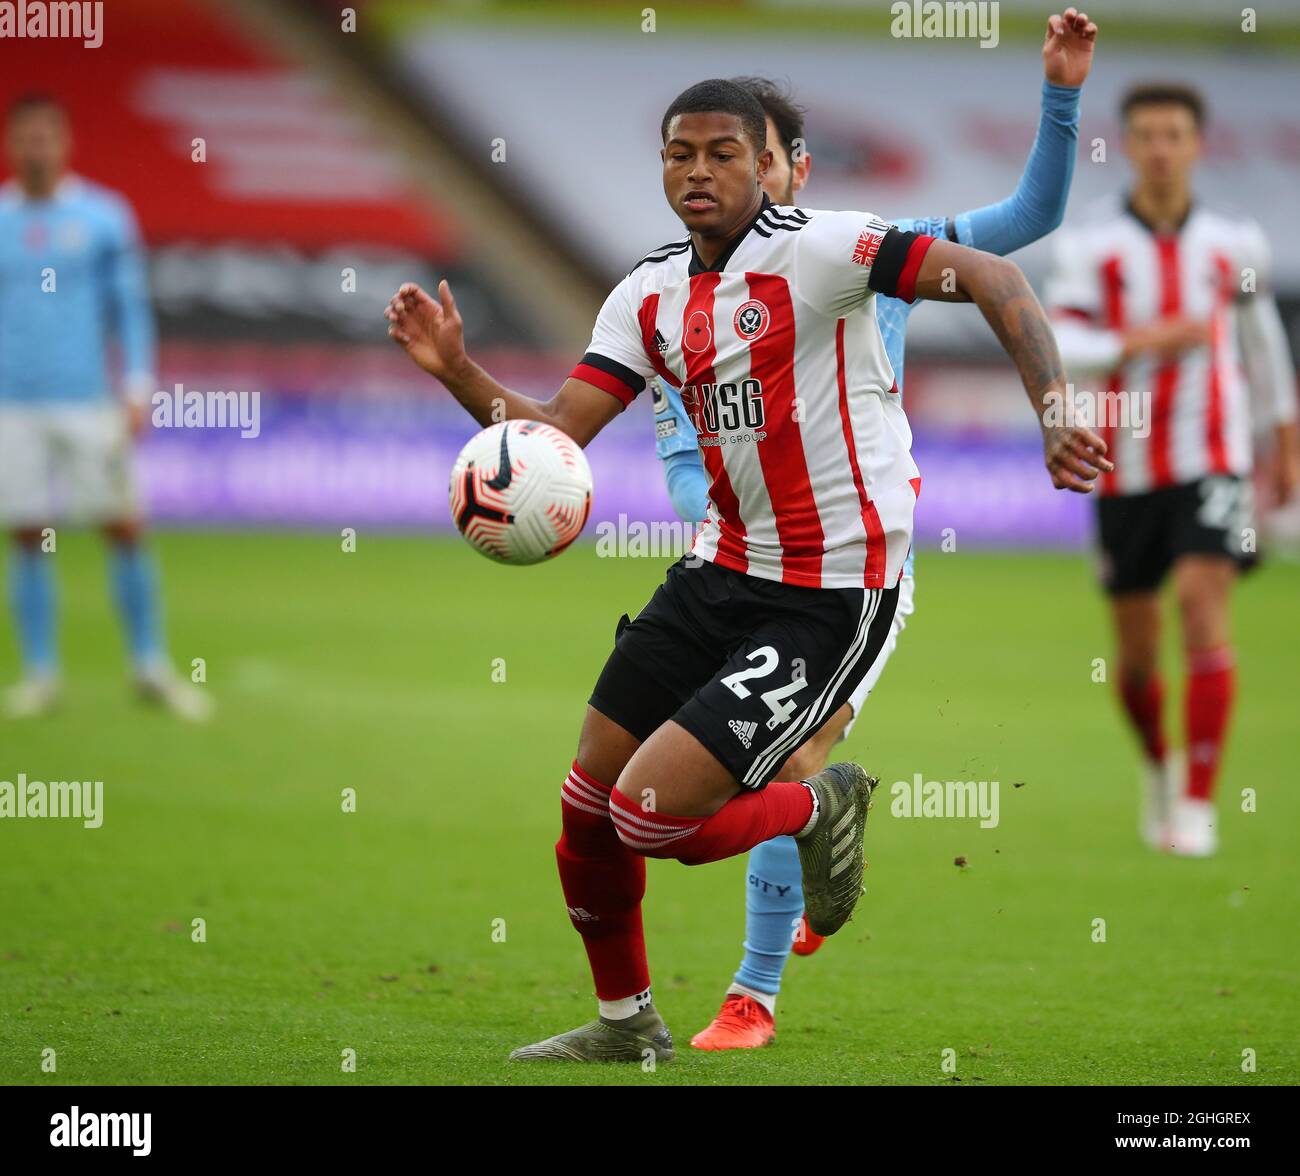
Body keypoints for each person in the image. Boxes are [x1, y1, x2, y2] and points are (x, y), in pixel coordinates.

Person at [387, 78, 1109, 1063]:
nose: (697, 170)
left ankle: (822, 803)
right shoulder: (646, 295)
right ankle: (626, 1024)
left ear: (767, 166)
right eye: (679, 153)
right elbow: (557, 436)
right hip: (717, 569)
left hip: (832, 592)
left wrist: (1057, 412)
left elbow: (996, 275)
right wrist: (455, 372)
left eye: (723, 152)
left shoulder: (826, 249)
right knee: (586, 804)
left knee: (650, 818)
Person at [654, 6, 1097, 1052]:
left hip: (849, 573)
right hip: (726, 571)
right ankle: (811, 850)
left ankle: (749, 997)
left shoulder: (867, 258)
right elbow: (684, 460)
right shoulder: (675, 297)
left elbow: (1029, 216)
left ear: (790, 168)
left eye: (751, 154)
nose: (730, 173)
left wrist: (1061, 89)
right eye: (708, 156)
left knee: (785, 761)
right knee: (684, 792)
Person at [1045, 82, 1298, 856]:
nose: (1160, 148)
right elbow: (1060, 338)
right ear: (1127, 144)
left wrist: (1282, 437)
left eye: (1174, 135)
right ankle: (1158, 764)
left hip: (1212, 454)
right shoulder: (1090, 244)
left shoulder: (1234, 242)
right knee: (1136, 653)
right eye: (1147, 134)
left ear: (1197, 145)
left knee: (1201, 599)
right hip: (1120, 463)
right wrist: (1140, 342)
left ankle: (1197, 799)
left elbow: (1261, 346)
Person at [0, 93, 209, 720]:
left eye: (47, 137)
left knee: (123, 525)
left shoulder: (103, 216)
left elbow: (130, 308)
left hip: (87, 397)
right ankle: (40, 674)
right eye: (26, 138)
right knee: (27, 534)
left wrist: (139, 384)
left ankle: (149, 663)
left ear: (65, 144)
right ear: (12, 145)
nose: (37, 149)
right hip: (13, 403)